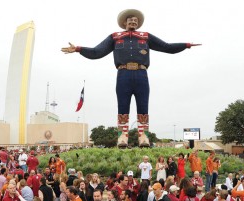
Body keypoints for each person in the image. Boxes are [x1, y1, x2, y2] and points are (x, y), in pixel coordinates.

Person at [62, 9, 199, 147]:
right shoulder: (115, 36)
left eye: (136, 20)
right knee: (122, 105)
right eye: (130, 20)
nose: (133, 21)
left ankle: (143, 136)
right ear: (124, 22)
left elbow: (167, 47)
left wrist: (186, 45)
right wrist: (78, 49)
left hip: (141, 73)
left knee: (143, 105)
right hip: (123, 73)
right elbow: (97, 52)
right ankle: (122, 136)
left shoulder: (146, 36)